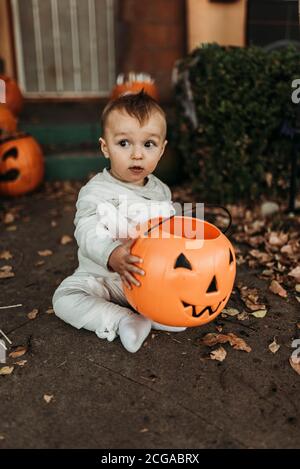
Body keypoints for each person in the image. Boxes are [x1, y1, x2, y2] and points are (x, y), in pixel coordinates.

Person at [52, 90, 185, 353]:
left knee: (176, 288)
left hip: (144, 280)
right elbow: (88, 228)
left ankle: (157, 312)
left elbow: (168, 235)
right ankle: (122, 318)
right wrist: (110, 252)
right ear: (105, 147)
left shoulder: (161, 191)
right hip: (100, 278)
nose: (137, 154)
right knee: (64, 298)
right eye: (124, 143)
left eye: (148, 144)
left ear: (162, 150)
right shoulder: (96, 191)